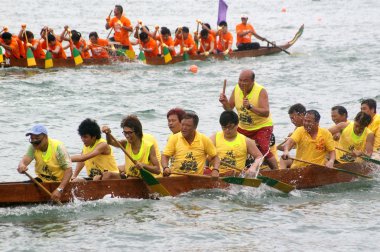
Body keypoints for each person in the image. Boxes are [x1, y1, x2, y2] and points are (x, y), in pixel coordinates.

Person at [219, 69, 278, 169]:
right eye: (240, 80)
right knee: (233, 144)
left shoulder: (260, 91)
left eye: (245, 81)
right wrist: (224, 103)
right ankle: (239, 169)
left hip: (262, 126)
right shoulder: (236, 89)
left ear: (252, 81)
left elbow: (266, 113)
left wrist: (250, 107)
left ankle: (277, 171)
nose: (242, 83)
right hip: (243, 127)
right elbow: (229, 109)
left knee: (263, 150)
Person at [17, 124, 72, 201]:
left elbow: (69, 171)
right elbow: (24, 161)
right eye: (32, 139)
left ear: (45, 137)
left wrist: (59, 189)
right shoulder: (33, 147)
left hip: (59, 182)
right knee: (20, 188)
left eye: (37, 139)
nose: (34, 142)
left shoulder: (58, 147)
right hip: (42, 181)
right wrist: (21, 166)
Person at [162, 112, 220, 177]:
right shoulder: (174, 138)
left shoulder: (204, 140)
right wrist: (165, 167)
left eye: (188, 126)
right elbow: (165, 156)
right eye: (182, 124)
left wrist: (215, 169)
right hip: (176, 178)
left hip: (196, 179)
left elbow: (215, 157)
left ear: (195, 127)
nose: (183, 128)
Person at [210, 111, 263, 176]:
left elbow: (260, 156)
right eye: (224, 127)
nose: (227, 130)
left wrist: (253, 167)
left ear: (237, 124)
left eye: (230, 127)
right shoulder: (214, 138)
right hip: (216, 174)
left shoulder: (246, 141)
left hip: (236, 176)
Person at [277, 103, 306, 169]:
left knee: (283, 160)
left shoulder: (308, 128)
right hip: (300, 159)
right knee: (283, 159)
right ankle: (281, 176)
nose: (292, 121)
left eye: (293, 118)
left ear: (301, 115)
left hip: (308, 160)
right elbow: (285, 148)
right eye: (291, 118)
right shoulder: (297, 128)